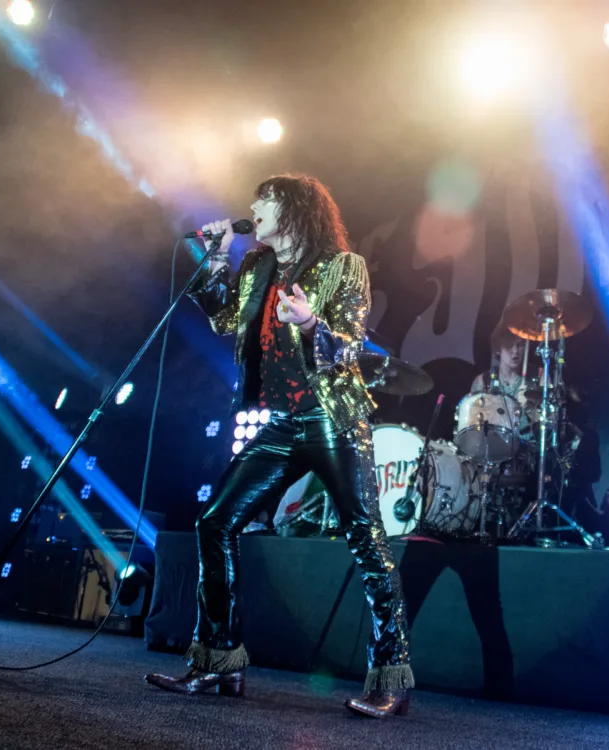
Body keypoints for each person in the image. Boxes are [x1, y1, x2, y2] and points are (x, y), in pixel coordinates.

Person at [145, 175, 413, 719]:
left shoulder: (343, 266)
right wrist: (216, 259)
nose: (250, 208)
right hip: (286, 420)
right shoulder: (256, 267)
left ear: (291, 209)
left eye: (261, 201)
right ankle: (217, 660)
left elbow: (347, 349)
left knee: (364, 537)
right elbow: (226, 320)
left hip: (332, 417)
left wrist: (311, 322)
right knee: (215, 522)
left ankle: (391, 675)